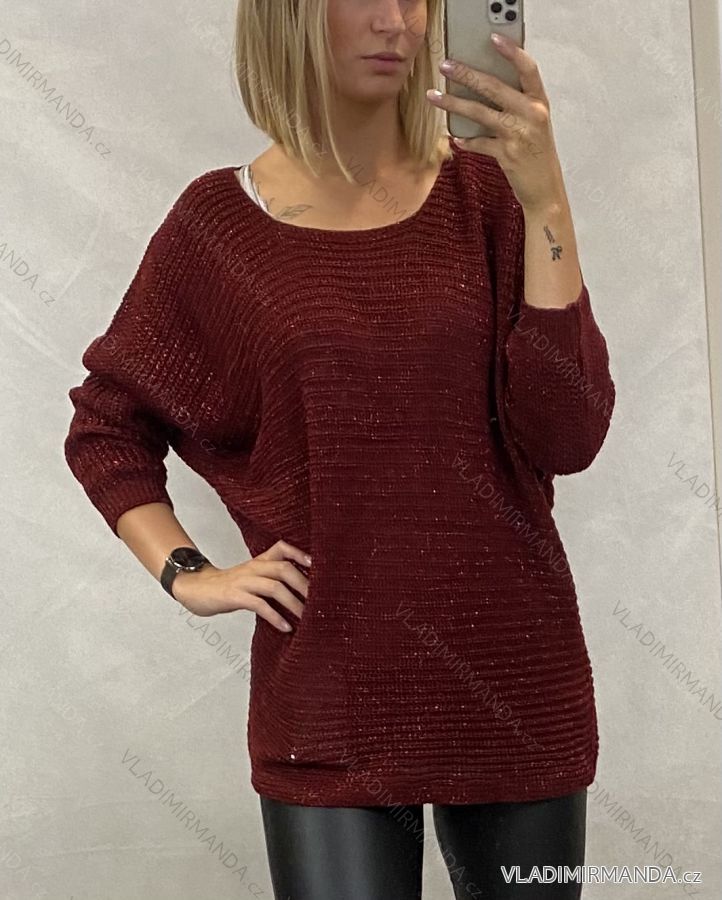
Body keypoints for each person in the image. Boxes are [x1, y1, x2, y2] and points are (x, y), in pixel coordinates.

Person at [64, 1, 616, 897]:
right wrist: (190, 573)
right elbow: (107, 425)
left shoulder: (487, 196)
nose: (397, 21)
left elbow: (571, 433)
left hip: (515, 682)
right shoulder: (219, 224)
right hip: (327, 703)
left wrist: (546, 196)